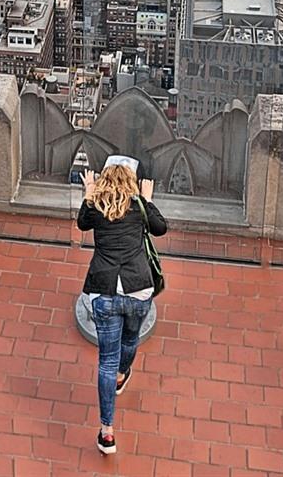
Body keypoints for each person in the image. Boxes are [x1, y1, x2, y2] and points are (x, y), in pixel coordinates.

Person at [77, 157, 167, 456]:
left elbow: (82, 223)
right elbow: (160, 228)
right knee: (130, 338)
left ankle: (107, 432)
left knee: (106, 360)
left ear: (103, 182)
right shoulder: (139, 207)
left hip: (103, 290)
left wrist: (89, 191)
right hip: (138, 289)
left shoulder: (96, 208)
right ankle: (122, 374)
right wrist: (147, 200)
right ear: (132, 184)